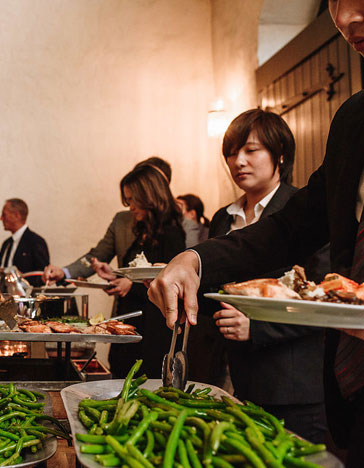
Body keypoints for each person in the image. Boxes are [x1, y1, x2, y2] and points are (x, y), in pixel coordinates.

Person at [148, 2, 364, 462]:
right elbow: (291, 229)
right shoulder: (353, 120)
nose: (345, 20)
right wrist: (197, 259)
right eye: (334, 5)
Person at [199, 109, 328, 442]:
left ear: (280, 154)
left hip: (290, 382)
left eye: (251, 150)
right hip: (230, 378)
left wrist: (256, 327)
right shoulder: (222, 218)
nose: (238, 161)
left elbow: (323, 297)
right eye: (230, 152)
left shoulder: (304, 212)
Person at [91, 165, 185, 378]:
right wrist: (115, 276)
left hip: (152, 329)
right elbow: (138, 273)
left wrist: (130, 285)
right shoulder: (143, 228)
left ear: (150, 196)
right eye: (127, 200)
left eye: (133, 199)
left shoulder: (171, 233)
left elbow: (169, 283)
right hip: (134, 322)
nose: (130, 206)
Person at [42, 156, 172, 288]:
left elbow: (176, 275)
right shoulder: (122, 220)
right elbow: (98, 255)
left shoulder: (178, 225)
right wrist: (64, 272)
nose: (131, 206)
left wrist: (132, 284)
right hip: (126, 305)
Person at [0, 198, 50, 278]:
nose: (1, 218)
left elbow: (43, 276)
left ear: (16, 216)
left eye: (4, 215)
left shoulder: (36, 242)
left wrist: (21, 279)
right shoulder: (6, 244)